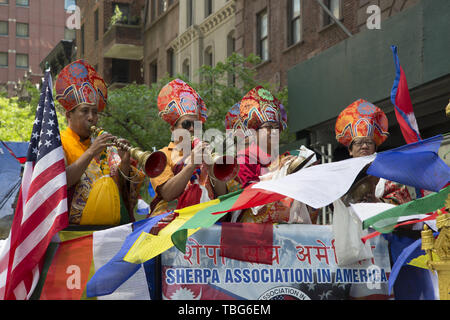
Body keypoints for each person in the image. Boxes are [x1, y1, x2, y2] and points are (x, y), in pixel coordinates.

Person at [335, 98, 436, 300]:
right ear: (350, 149)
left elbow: (406, 215)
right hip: (355, 256)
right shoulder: (339, 179)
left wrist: (377, 204)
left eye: (369, 142)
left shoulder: (390, 175)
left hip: (389, 253)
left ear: (375, 147)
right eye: (359, 143)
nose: (364, 146)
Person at [55, 60, 144, 226]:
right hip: (72, 231)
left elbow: (117, 189)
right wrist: (90, 152)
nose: (91, 117)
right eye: (84, 111)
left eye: (95, 112)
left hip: (107, 230)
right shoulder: (58, 143)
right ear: (69, 115)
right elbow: (60, 182)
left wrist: (124, 162)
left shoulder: (103, 147)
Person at [148, 79, 227, 217]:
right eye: (186, 124)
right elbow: (167, 194)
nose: (191, 129)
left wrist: (211, 167)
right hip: (173, 226)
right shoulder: (162, 155)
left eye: (196, 125)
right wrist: (192, 165)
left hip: (206, 222)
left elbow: (223, 195)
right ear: (173, 129)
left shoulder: (204, 153)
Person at [229, 86, 308, 224]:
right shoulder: (244, 158)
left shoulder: (285, 158)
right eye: (268, 127)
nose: (274, 132)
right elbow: (249, 194)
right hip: (252, 225)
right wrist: (276, 171)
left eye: (276, 127)